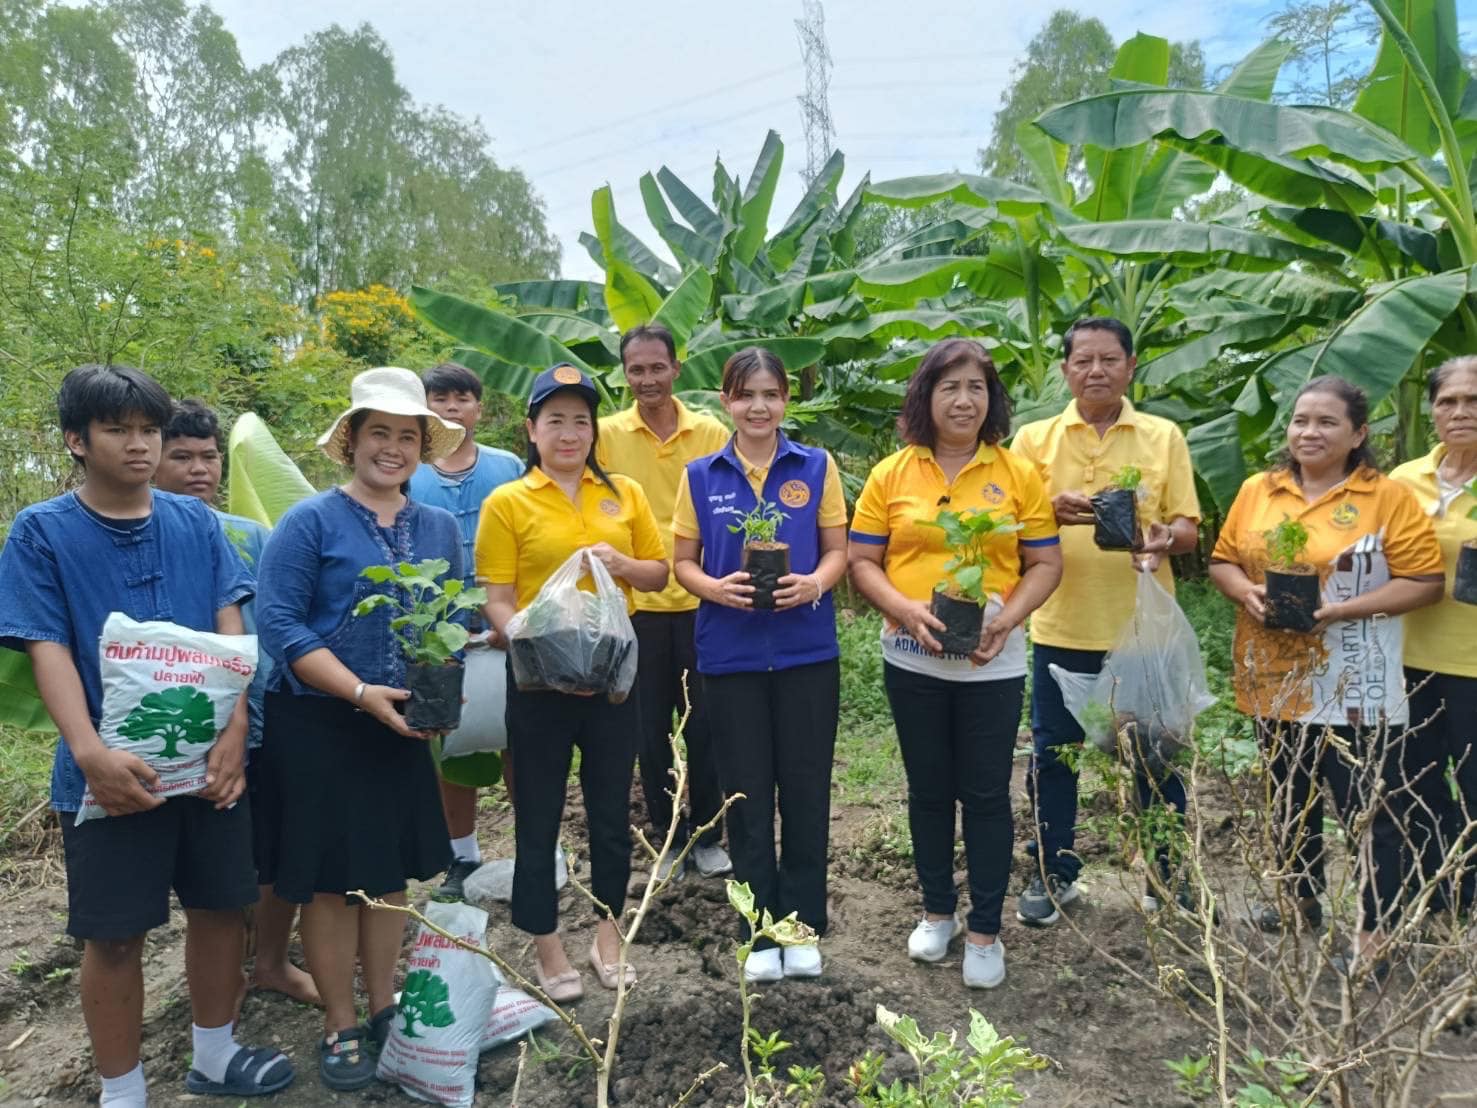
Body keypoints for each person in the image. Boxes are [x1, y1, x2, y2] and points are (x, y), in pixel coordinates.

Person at [0, 365, 293, 1104]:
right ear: (76, 439)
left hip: (210, 762)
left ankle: (216, 1055)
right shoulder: (43, 533)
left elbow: (230, 623)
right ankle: (122, 1090)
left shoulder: (194, 522)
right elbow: (47, 646)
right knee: (116, 934)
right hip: (110, 776)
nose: (139, 445)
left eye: (148, 430)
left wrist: (235, 729)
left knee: (222, 907)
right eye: (117, 430)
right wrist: (90, 752)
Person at [253, 367, 466, 1090]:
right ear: (350, 440)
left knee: (388, 873)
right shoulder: (309, 521)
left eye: (408, 436)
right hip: (316, 723)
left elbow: (453, 618)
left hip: (402, 722)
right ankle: (339, 1021)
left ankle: (385, 1006)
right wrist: (355, 689)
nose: (394, 448)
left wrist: (449, 673)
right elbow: (278, 623)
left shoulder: (436, 526)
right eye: (379, 432)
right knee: (325, 881)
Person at [848, 338, 1061, 989]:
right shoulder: (893, 473)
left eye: (975, 386)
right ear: (926, 396)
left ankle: (985, 930)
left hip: (990, 661)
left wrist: (1005, 618)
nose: (963, 399)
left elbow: (1046, 563)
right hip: (910, 660)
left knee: (986, 795)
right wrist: (905, 609)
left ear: (990, 397)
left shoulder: (1016, 472)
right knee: (929, 790)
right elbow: (861, 561)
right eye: (949, 387)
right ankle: (937, 911)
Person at [1209, 376, 1443, 962]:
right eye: (1301, 420)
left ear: (1359, 434)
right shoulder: (1258, 490)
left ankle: (1376, 931)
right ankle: (1299, 899)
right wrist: (1248, 595)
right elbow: (1223, 561)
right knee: (1289, 794)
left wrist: (1338, 610)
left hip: (1352, 675)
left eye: (1327, 422)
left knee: (1369, 805)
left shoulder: (1384, 497)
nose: (1309, 432)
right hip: (1273, 671)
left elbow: (1425, 582)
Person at [476, 364, 668, 1001]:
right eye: (554, 419)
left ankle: (608, 935)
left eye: (580, 420)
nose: (569, 432)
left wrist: (623, 563)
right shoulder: (508, 502)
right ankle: (546, 943)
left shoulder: (626, 494)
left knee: (613, 813)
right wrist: (538, 644)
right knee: (538, 815)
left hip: (613, 679)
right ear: (531, 429)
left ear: (593, 431)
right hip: (539, 683)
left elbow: (658, 573)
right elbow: (497, 601)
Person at [1010, 318, 1203, 924]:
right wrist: (1048, 510)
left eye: (1110, 360)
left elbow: (1189, 530)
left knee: (1156, 758)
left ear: (1131, 365)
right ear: (1064, 369)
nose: (1097, 371)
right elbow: (1007, 528)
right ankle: (1054, 872)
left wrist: (1163, 538)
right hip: (1060, 627)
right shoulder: (1033, 440)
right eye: (1084, 360)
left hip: (1142, 633)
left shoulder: (1162, 436)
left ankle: (1167, 880)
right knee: (1054, 757)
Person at [672, 347, 849, 984]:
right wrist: (712, 588)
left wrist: (816, 584)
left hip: (806, 653)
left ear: (786, 402)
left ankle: (799, 927)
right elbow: (682, 562)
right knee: (746, 797)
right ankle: (757, 931)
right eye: (746, 395)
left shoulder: (816, 466)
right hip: (730, 657)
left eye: (771, 394)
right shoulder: (700, 475)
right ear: (726, 402)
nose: (759, 406)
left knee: (805, 791)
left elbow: (837, 550)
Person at [155, 399, 320, 1008]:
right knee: (211, 859)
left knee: (274, 846)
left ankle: (271, 960)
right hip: (180, 720)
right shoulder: (142, 540)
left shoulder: (253, 536)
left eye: (209, 456)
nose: (200, 469)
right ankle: (228, 963)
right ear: (152, 462)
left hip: (266, 712)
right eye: (183, 457)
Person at [597, 324, 733, 882]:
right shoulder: (605, 436)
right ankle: (666, 836)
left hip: (704, 598)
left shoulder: (710, 431)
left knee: (706, 723)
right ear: (624, 374)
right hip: (637, 603)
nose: (648, 379)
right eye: (636, 370)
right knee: (647, 727)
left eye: (658, 367)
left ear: (677, 369)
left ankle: (706, 833)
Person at [406, 363, 524, 902]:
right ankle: (463, 856)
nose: (452, 408)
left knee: (520, 740)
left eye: (463, 398)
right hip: (440, 632)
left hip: (510, 622)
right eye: (441, 398)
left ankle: (535, 849)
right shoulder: (410, 470)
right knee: (452, 744)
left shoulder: (507, 466)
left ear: (479, 407)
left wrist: (512, 617)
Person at [1391, 356, 1477, 913]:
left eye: (1473, 401)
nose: (1461, 412)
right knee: (1415, 783)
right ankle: (1441, 891)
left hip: (1473, 665)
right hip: (1407, 660)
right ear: (1432, 411)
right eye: (1448, 401)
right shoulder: (1404, 480)